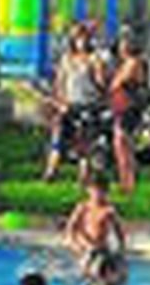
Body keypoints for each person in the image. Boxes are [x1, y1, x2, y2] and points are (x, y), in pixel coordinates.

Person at [43, 23, 104, 183]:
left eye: (84, 38)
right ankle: (50, 172)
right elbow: (60, 83)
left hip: (88, 104)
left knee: (85, 141)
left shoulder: (93, 58)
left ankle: (84, 175)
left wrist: (99, 72)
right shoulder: (66, 59)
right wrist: (59, 102)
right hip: (69, 104)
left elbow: (100, 83)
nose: (81, 42)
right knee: (58, 139)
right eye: (78, 38)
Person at [64, 175, 129, 285]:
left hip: (102, 251)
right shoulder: (83, 208)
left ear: (106, 192)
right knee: (86, 283)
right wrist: (77, 243)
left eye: (101, 191)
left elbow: (120, 234)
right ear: (88, 190)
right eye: (95, 190)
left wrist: (122, 254)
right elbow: (70, 230)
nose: (98, 195)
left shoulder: (108, 210)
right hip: (86, 250)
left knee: (105, 283)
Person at [107, 33, 147, 195]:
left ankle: (127, 182)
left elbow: (118, 83)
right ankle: (125, 180)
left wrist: (114, 81)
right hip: (121, 106)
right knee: (122, 146)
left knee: (123, 145)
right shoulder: (124, 63)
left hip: (128, 107)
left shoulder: (133, 63)